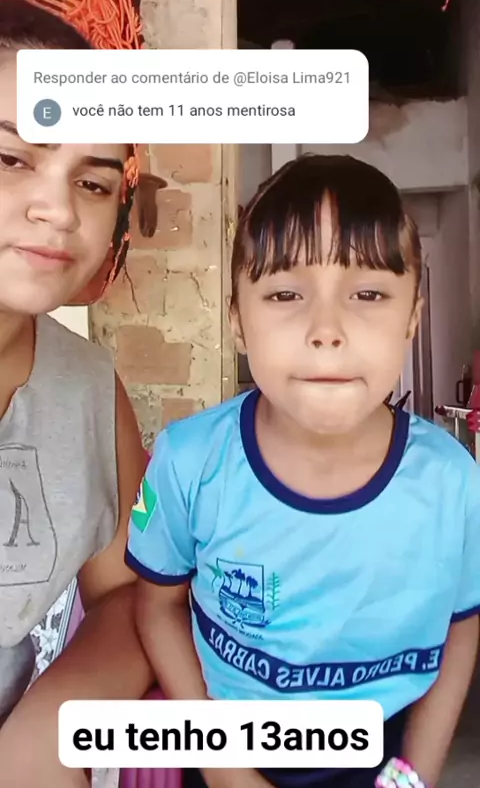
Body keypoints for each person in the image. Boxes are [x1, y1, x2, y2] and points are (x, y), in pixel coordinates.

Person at [126, 155, 480, 788]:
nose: (326, 331)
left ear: (412, 317)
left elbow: (462, 622)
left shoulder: (453, 482)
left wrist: (412, 775)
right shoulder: (188, 461)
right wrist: (225, 769)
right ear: (237, 320)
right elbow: (157, 608)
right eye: (286, 294)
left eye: (368, 294)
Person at [0, 0, 154, 787]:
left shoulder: (89, 387)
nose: (58, 210)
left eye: (92, 182)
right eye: (11, 159)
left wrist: (52, 729)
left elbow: (129, 594)